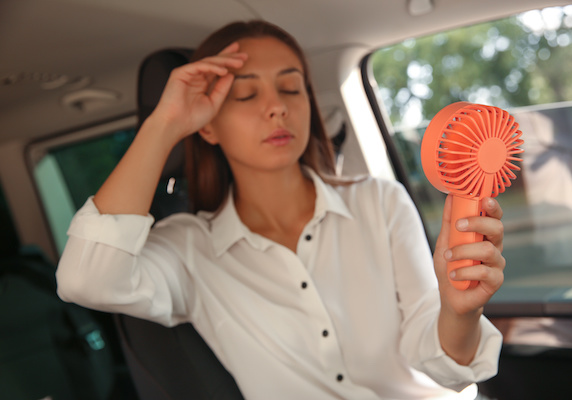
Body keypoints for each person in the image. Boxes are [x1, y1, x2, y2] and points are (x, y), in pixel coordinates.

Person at [56, 20, 505, 399]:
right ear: (206, 125)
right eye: (246, 96)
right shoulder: (188, 249)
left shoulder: (379, 200)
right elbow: (86, 279)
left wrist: (458, 312)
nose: (277, 108)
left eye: (291, 88)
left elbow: (440, 363)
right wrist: (165, 124)